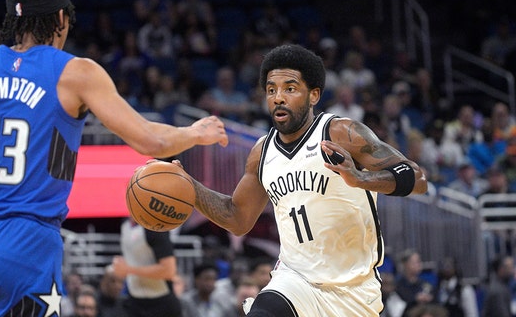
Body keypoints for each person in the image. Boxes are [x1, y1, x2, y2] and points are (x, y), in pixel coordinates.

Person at [0, 0, 228, 316]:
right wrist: (193, 133)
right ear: (61, 18)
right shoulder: (76, 72)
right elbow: (150, 140)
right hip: (25, 244)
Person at [178, 44, 428, 316]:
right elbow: (237, 218)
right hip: (294, 280)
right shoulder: (261, 153)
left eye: (290, 88)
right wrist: (189, 187)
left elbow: (417, 179)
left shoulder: (340, 132)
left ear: (313, 95)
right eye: (271, 90)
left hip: (354, 291)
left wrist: (359, 179)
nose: (278, 98)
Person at [111, 219, 182, 317]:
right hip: (135, 301)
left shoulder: (155, 226)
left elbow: (169, 271)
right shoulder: (125, 225)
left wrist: (128, 270)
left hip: (160, 303)